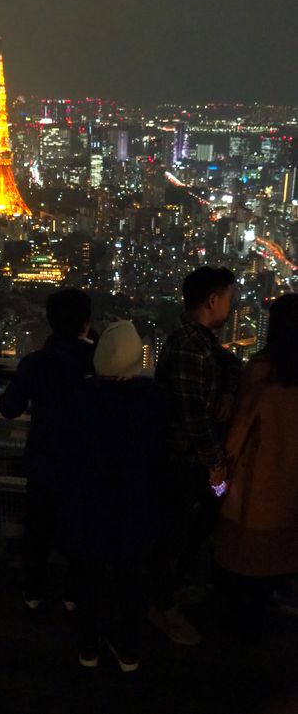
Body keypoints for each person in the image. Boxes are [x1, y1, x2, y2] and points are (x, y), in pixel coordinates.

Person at [61, 320, 164, 672]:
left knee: (88, 579)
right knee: (131, 580)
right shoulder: (151, 401)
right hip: (134, 506)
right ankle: (129, 649)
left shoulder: (78, 398)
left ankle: (88, 647)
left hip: (88, 505)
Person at [152, 266, 242, 645]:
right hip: (188, 466)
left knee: (198, 525)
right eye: (228, 299)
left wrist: (229, 391)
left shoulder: (199, 342)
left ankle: (174, 588)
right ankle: (161, 603)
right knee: (182, 531)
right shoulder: (192, 348)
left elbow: (229, 366)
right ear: (212, 300)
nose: (231, 307)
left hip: (193, 464)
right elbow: (194, 418)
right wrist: (217, 466)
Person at [0, 288, 95, 609]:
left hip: (42, 460)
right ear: (86, 323)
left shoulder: (34, 363)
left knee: (38, 529)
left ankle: (33, 591)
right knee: (79, 528)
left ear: (50, 321)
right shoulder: (94, 363)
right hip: (82, 462)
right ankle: (73, 593)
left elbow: (9, 407)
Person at [214, 294, 298, 641]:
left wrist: (218, 480)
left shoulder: (263, 372)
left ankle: (236, 630)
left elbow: (240, 430)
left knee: (241, 559)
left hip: (254, 484)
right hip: (290, 489)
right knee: (274, 557)